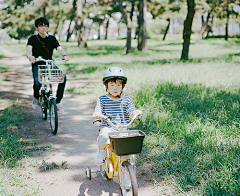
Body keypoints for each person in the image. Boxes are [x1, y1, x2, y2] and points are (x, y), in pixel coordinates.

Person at [92, 66, 143, 165]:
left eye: (118, 85)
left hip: (123, 128)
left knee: (128, 143)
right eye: (112, 85)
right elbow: (98, 111)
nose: (115, 88)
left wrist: (135, 113)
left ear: (123, 86)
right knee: (104, 135)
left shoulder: (126, 99)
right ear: (106, 86)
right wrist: (97, 114)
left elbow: (130, 113)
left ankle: (127, 163)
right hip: (108, 127)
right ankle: (101, 152)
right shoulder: (103, 99)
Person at [26, 17, 69, 113]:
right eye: (41, 26)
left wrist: (65, 55)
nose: (43, 28)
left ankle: (57, 102)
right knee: (37, 83)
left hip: (49, 64)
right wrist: (30, 57)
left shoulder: (52, 39)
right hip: (37, 64)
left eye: (45, 26)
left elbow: (59, 48)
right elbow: (28, 51)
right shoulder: (32, 39)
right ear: (36, 28)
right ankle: (36, 98)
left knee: (63, 78)